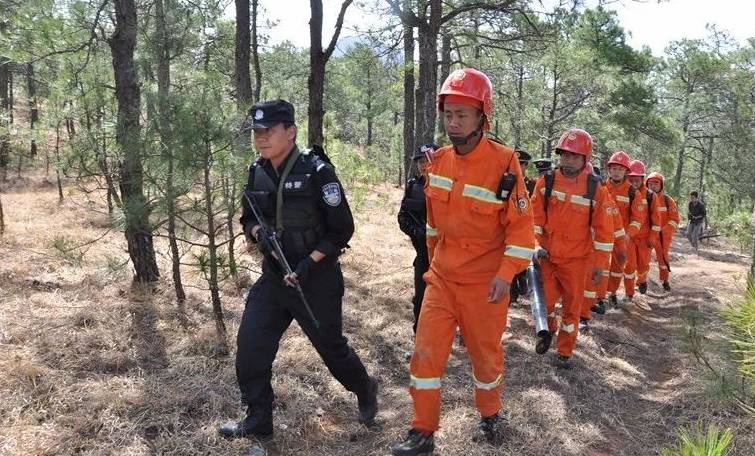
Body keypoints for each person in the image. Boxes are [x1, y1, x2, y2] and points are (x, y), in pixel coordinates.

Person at [391, 68, 535, 456]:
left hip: (484, 287)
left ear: (482, 117)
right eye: (448, 114)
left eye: (462, 115)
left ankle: (490, 414)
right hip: (441, 280)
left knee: (486, 360)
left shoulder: (505, 163)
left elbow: (522, 232)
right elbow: (433, 226)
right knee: (425, 356)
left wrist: (506, 276)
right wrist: (431, 268)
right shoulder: (438, 162)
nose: (453, 123)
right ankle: (422, 432)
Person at [219, 99, 378, 441]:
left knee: (332, 350)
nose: (261, 138)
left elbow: (342, 231)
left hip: (315, 282)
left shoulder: (318, 172)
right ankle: (258, 419)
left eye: (268, 131)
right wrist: (257, 232)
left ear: (290, 132)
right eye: (256, 132)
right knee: (250, 349)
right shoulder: (256, 171)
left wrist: (307, 265)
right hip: (275, 278)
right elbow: (247, 216)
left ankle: (364, 387)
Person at [530, 129, 614, 368]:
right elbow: (534, 220)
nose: (568, 160)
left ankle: (565, 352)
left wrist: (599, 266)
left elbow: (604, 232)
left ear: (585, 159)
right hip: (547, 256)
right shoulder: (545, 182)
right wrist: (535, 245)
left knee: (571, 308)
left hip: (577, 261)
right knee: (544, 303)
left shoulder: (595, 189)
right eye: (565, 154)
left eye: (574, 156)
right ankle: (547, 332)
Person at [398, 144, 436, 333]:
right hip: (422, 252)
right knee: (421, 296)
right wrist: (416, 232)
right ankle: (420, 332)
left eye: (426, 160)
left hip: (447, 253)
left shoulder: (450, 185)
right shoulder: (413, 186)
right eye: (420, 161)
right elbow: (402, 217)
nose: (422, 165)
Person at [581, 165, 626, 324]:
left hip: (593, 248)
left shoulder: (604, 195)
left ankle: (584, 315)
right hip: (568, 248)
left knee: (589, 281)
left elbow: (616, 223)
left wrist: (621, 246)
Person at [604, 151, 647, 307]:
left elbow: (638, 219)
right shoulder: (601, 187)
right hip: (601, 235)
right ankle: (597, 295)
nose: (616, 172)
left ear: (626, 172)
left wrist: (628, 235)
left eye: (620, 170)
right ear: (609, 169)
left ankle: (612, 293)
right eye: (614, 169)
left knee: (617, 267)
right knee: (599, 265)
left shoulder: (632, 193)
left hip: (622, 238)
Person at [626, 159, 661, 296]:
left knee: (643, 265)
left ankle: (641, 280)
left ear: (642, 179)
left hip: (645, 238)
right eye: (631, 180)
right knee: (629, 265)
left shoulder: (650, 196)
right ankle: (629, 293)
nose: (634, 183)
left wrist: (653, 237)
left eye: (637, 180)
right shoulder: (625, 193)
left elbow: (656, 220)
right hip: (629, 238)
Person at [646, 172, 680, 291]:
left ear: (661, 185)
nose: (653, 186)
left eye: (656, 183)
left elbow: (675, 219)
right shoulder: (643, 198)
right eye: (650, 183)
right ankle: (641, 282)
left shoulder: (667, 200)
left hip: (662, 237)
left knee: (662, 259)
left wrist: (665, 231)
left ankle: (665, 280)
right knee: (643, 258)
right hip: (647, 235)